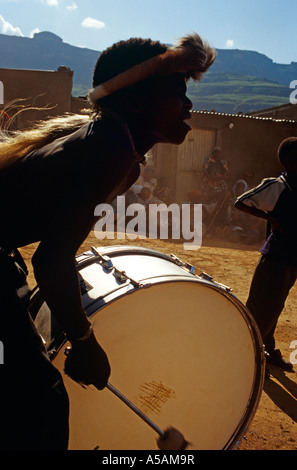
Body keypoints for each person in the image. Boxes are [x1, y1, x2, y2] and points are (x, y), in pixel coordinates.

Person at [0, 33, 216, 449]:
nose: (189, 105)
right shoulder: (112, 148)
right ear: (134, 102)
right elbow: (50, 261)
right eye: (176, 92)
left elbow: (56, 246)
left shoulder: (115, 146)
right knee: (38, 402)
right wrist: (83, 340)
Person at [235, 137, 297, 372]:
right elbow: (241, 202)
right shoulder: (279, 184)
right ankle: (250, 358)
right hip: (276, 257)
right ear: (290, 160)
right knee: (262, 308)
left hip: (292, 256)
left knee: (276, 305)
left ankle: (267, 351)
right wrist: (269, 218)